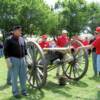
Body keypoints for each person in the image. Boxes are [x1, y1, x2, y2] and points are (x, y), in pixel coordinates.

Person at [4, 26, 27, 98]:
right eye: (18, 30)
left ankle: (24, 91)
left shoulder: (22, 39)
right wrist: (8, 61)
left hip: (22, 59)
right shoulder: (9, 40)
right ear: (14, 31)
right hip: (14, 59)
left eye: (20, 30)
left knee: (23, 77)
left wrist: (26, 60)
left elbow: (25, 50)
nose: (20, 32)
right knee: (14, 77)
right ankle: (15, 93)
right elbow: (5, 51)